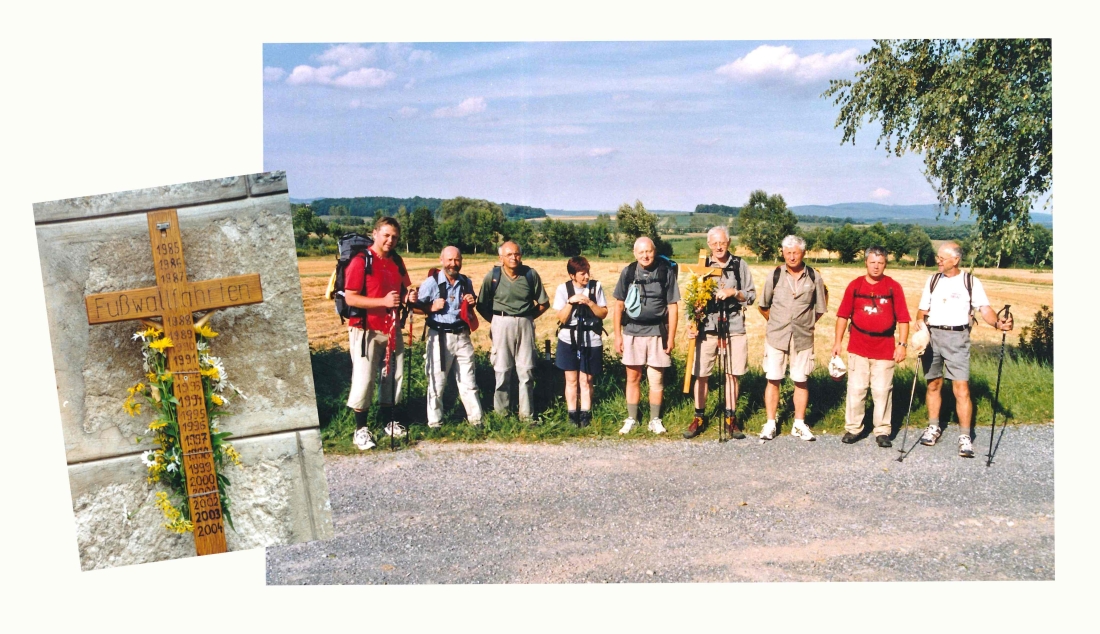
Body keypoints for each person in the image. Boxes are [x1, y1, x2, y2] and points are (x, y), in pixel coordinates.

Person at [915, 242, 1013, 458]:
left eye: (942, 257)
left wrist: (998, 324)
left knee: (962, 389)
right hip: (933, 337)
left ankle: (965, 436)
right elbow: (921, 311)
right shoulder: (932, 280)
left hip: (958, 338)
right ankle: (933, 427)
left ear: (956, 260)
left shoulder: (970, 282)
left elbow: (985, 309)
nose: (938, 260)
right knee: (933, 384)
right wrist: (921, 329)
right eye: (938, 257)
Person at [344, 216, 417, 451]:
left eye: (394, 237)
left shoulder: (396, 260)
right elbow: (351, 296)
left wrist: (408, 298)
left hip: (391, 327)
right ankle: (360, 429)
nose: (390, 240)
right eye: (386, 235)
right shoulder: (361, 260)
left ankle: (389, 422)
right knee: (364, 379)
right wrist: (382, 301)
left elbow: (403, 290)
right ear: (374, 234)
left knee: (392, 377)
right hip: (365, 328)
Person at [832, 246, 911, 448]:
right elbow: (842, 316)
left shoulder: (894, 287)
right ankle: (853, 428)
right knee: (857, 389)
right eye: (873, 262)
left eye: (880, 263)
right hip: (858, 345)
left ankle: (882, 431)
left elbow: (903, 319)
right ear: (866, 262)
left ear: (885, 264)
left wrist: (902, 345)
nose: (876, 267)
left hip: (885, 347)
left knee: (882, 390)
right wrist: (837, 343)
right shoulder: (855, 286)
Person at [684, 226, 755, 440]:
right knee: (702, 373)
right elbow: (691, 298)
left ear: (729, 242)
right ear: (708, 245)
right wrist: (691, 321)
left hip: (733, 325)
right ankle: (699, 417)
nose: (718, 247)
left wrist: (734, 292)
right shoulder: (702, 266)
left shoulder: (739, 265)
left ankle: (731, 419)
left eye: (722, 242)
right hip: (707, 326)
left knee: (732, 374)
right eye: (714, 243)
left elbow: (751, 296)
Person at [758, 234, 827, 441]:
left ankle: (799, 424)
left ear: (803, 253)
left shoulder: (814, 277)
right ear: (783, 253)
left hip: (803, 338)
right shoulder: (775, 275)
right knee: (773, 379)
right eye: (787, 253)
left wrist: (804, 324)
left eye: (795, 252)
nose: (791, 257)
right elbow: (763, 305)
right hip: (776, 337)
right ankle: (770, 424)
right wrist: (777, 323)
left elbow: (820, 309)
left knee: (801, 380)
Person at [475, 241, 550, 421]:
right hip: (501, 322)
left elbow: (543, 303)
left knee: (526, 371)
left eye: (516, 254)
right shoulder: (492, 276)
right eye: (509, 255)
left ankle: (526, 416)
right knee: (501, 370)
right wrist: (495, 322)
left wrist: (528, 318)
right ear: (501, 258)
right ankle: (501, 415)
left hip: (525, 323)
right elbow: (481, 304)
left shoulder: (530, 275)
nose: (513, 258)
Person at [612, 236, 680, 435]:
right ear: (635, 254)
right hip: (632, 332)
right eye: (641, 252)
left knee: (656, 379)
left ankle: (654, 420)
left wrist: (671, 337)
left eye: (648, 251)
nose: (645, 255)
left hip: (658, 333)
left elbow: (673, 307)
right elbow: (618, 306)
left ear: (654, 251)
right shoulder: (628, 272)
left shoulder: (666, 272)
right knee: (633, 377)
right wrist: (618, 336)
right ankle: (632, 418)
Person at [416, 246, 483, 428]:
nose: (453, 264)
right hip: (439, 336)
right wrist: (431, 308)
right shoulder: (431, 283)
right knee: (437, 380)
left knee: (468, 380)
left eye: (457, 260)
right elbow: (415, 307)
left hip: (462, 336)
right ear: (441, 260)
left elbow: (468, 307)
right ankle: (435, 422)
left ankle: (477, 421)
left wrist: (471, 302)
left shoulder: (465, 282)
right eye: (450, 260)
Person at [552, 256, 609, 428]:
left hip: (591, 338)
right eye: (582, 274)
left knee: (587, 379)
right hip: (568, 339)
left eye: (587, 273)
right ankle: (571, 415)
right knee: (571, 380)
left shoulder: (596, 287)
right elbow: (561, 318)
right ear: (572, 275)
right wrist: (571, 302)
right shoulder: (563, 289)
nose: (586, 277)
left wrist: (590, 303)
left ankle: (585, 414)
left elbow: (603, 313)